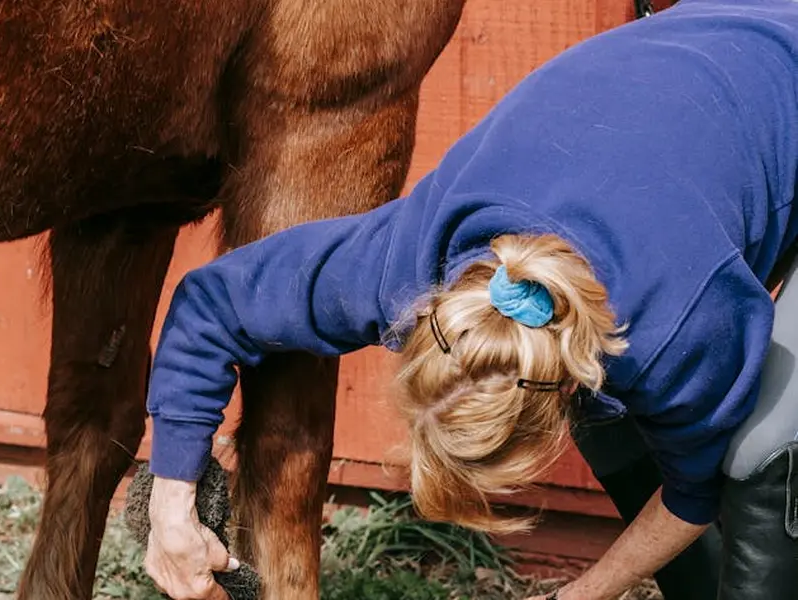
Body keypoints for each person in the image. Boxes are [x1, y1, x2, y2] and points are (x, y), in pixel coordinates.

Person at [141, 0, 798, 598]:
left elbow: (693, 488)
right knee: (620, 418)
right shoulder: (401, 267)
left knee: (762, 450)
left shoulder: (678, 329)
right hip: (717, 64)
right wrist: (171, 503)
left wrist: (586, 591)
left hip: (764, 64)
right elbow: (210, 307)